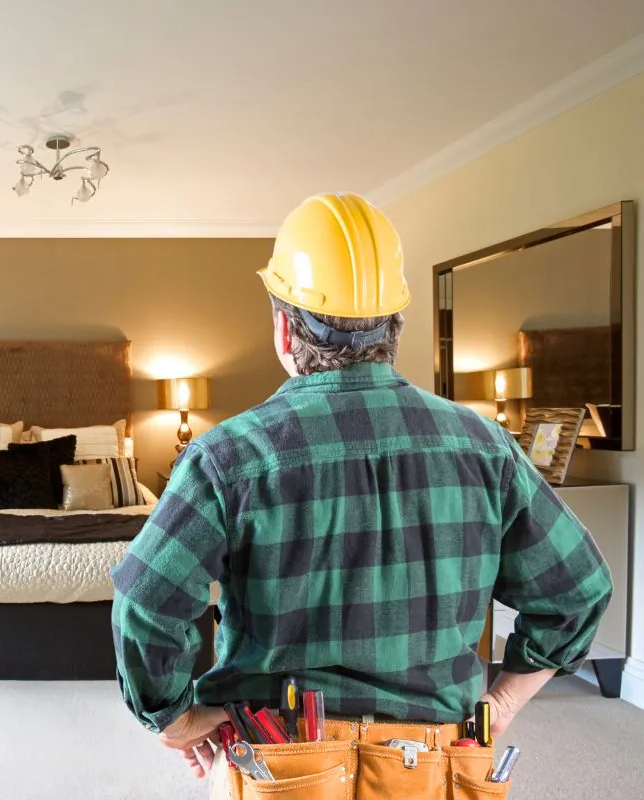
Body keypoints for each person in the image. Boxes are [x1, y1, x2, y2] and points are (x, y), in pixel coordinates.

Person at [110, 192, 613, 790]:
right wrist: (499, 706)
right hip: (435, 767)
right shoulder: (486, 447)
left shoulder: (229, 457)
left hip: (276, 763)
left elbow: (146, 604)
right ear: (395, 324)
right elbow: (580, 592)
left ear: (282, 325)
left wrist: (174, 717)